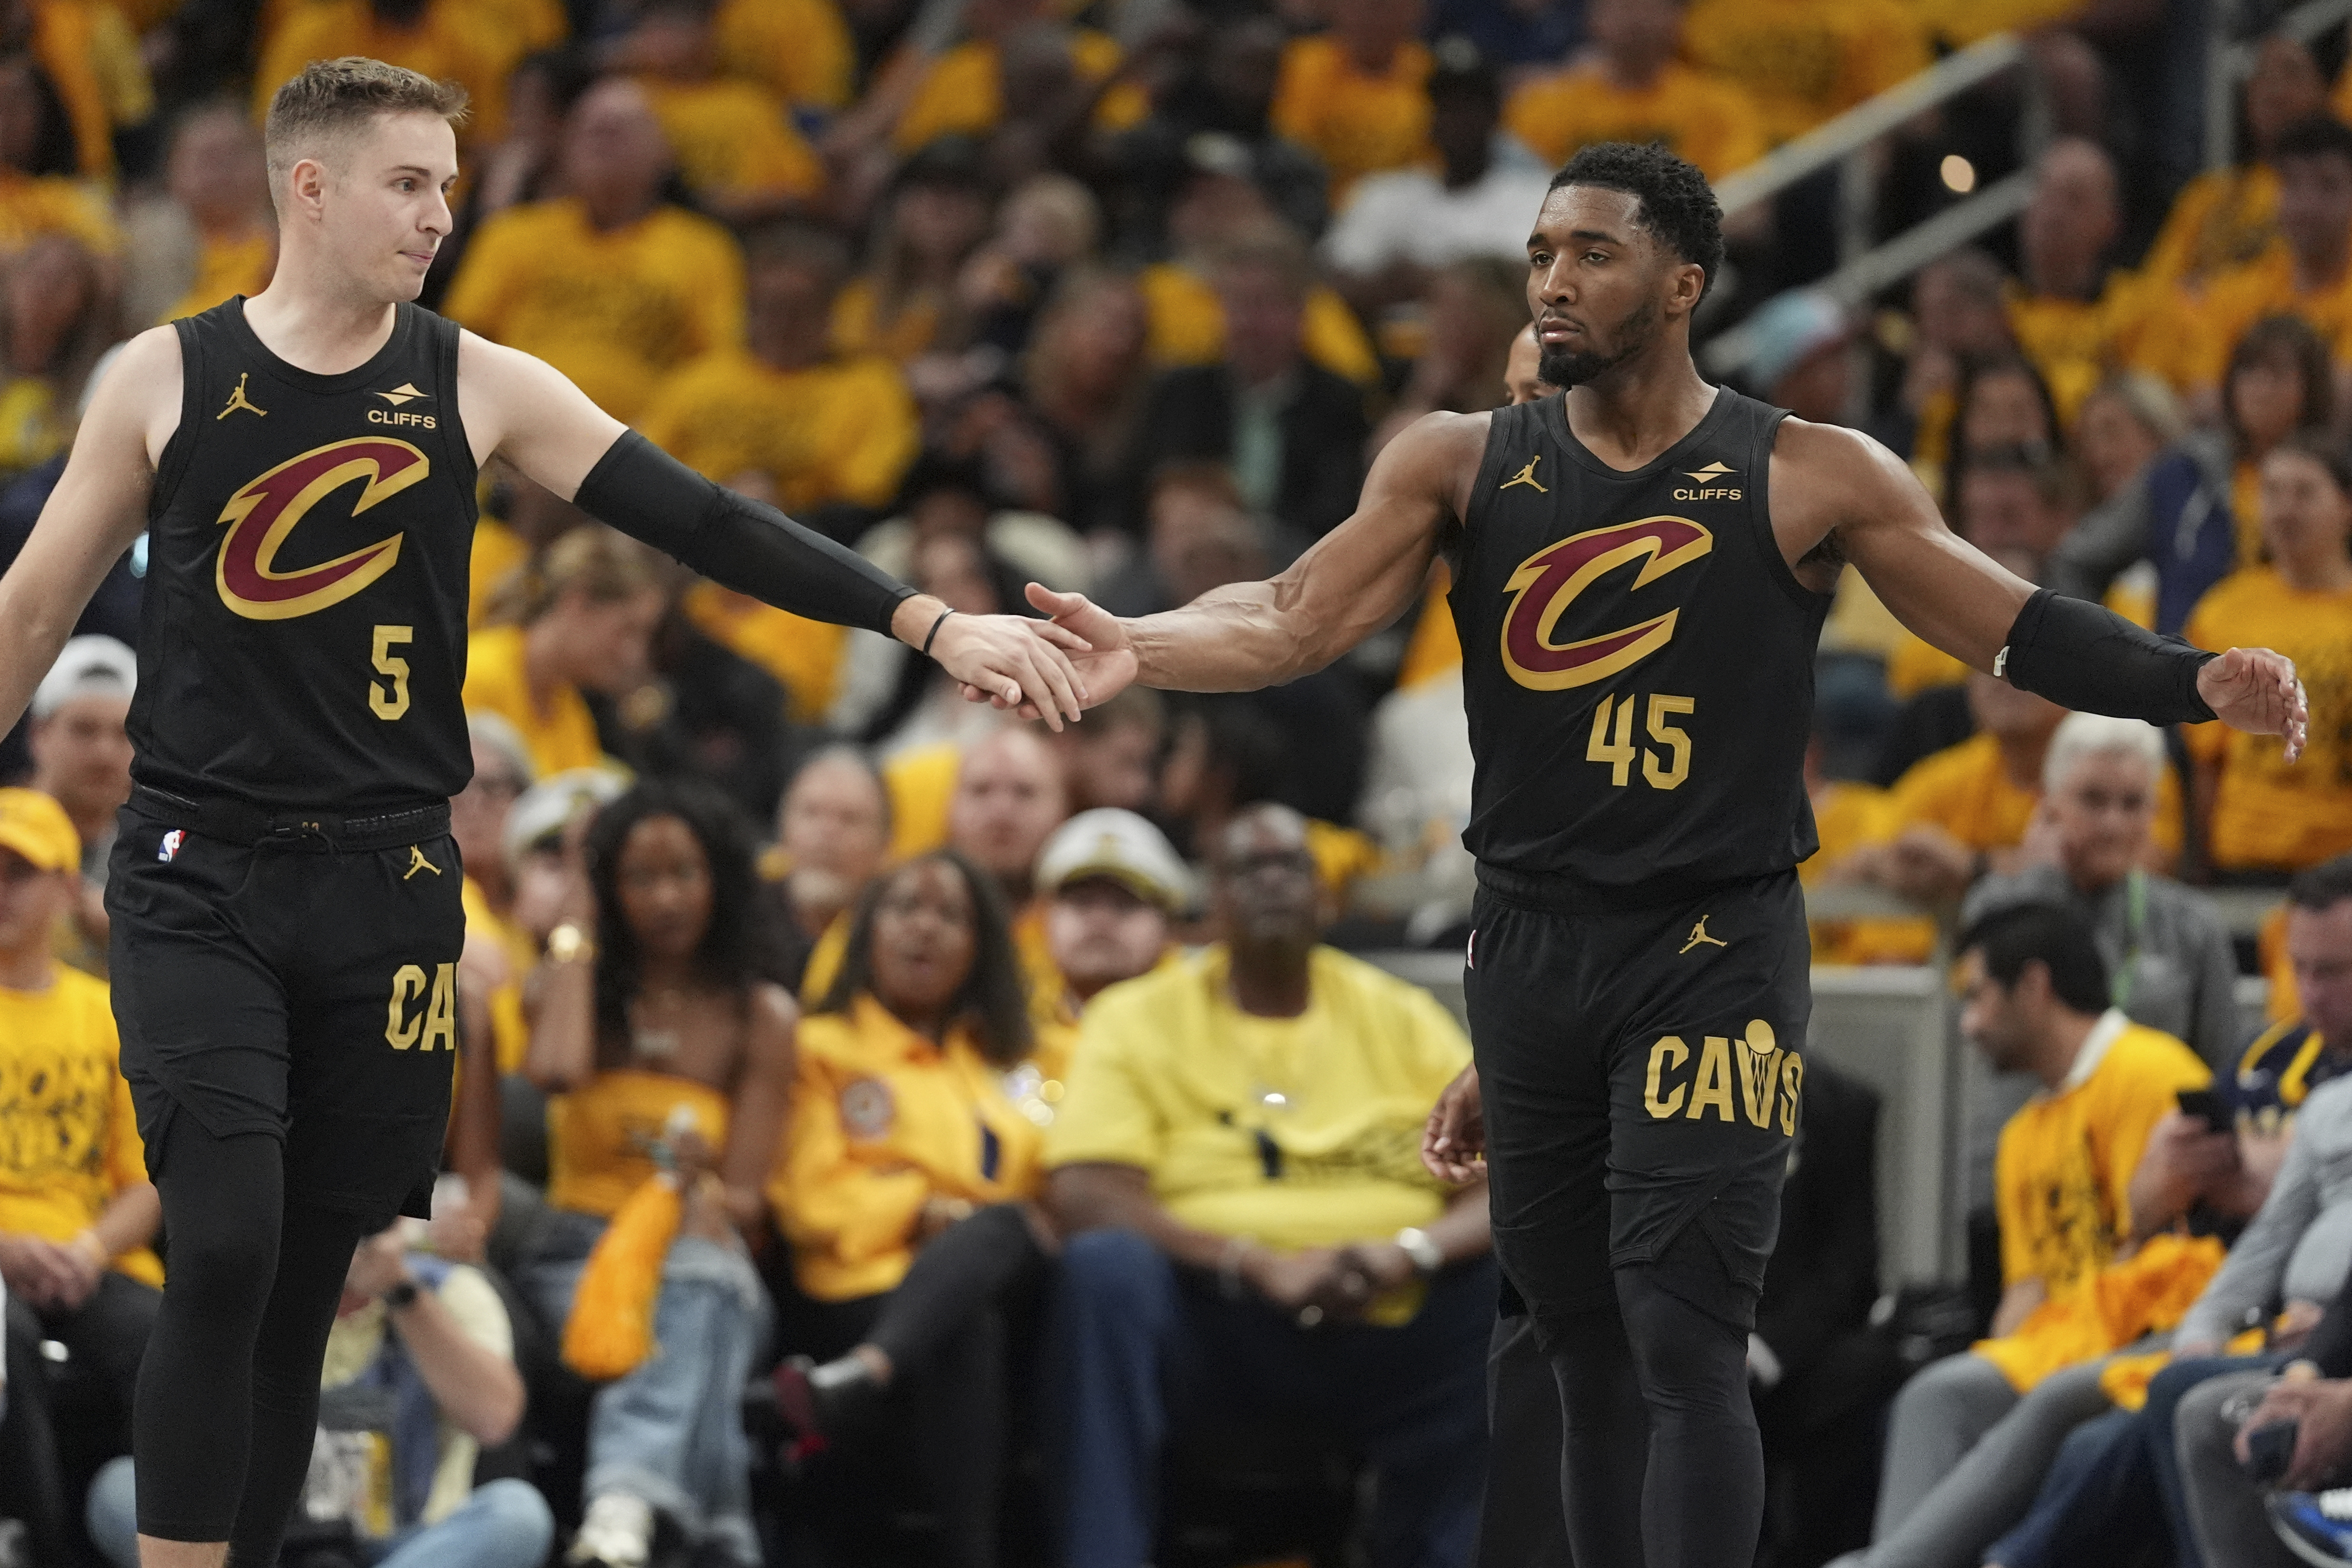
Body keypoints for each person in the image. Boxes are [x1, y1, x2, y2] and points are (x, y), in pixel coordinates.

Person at [1022, 140, 2305, 1568]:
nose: (1555, 281)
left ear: (1683, 283)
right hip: (1528, 949)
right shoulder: (1458, 459)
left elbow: (2008, 622)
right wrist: (1134, 645)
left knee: (1682, 1341)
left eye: (1592, 254)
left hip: (1712, 944)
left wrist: (2186, 678)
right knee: (1570, 1347)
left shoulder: (1807, 472)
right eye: (1540, 255)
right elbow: (1283, 616)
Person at [0, 56, 1087, 1568]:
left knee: (309, 1275)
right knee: (228, 1238)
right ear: (306, 186)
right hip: (203, 871)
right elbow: (33, 612)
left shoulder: (475, 378)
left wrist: (924, 621)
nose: (444, 212)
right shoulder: (163, 374)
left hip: (388, 885)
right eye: (410, 182)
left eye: (450, 183)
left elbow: (698, 517)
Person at [1047, 803, 1492, 1568]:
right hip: (1211, 1321)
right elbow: (1086, 1190)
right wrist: (1251, 1260)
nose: (1274, 882)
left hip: (1381, 1309)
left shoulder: (1401, 1015)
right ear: (1211, 899)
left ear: (1326, 896)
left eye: (1293, 865)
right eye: (1249, 868)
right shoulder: (1135, 1017)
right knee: (1102, 1272)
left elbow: (1504, 1183)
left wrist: (1408, 1251)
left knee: (1515, 1278)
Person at [1828, 901, 2212, 1568]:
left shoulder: (2150, 1072)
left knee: (1980, 1399)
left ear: (2032, 986)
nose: (1968, 1025)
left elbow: (2165, 1259)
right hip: (2068, 1340)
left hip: (2160, 1330)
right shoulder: (2024, 1132)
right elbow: (2026, 1292)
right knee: (1942, 1390)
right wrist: (1997, 1365)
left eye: (1976, 996)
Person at [520, 781, 793, 1568]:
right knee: (705, 1298)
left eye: (686, 873)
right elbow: (556, 1069)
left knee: (702, 1276)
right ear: (611, 889)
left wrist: (700, 1187)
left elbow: (745, 1199)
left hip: (695, 1241)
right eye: (640, 877)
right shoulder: (569, 988)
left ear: (722, 882)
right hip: (575, 1256)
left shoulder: (760, 1015)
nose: (666, 897)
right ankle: (715, 1535)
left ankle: (620, 1514)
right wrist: (574, 927)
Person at [765, 849, 1057, 1568]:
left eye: (950, 914)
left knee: (1010, 1230)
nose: (924, 929)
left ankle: (864, 1374)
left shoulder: (1011, 1059)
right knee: (968, 1322)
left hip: (1011, 1288)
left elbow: (1048, 1188)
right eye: (904, 908)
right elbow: (809, 1197)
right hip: (857, 1286)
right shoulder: (817, 1044)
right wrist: (920, 1208)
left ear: (981, 944)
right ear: (867, 931)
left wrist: (959, 1220)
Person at [86, 1219, 553, 1568]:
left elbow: (494, 1418)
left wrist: (400, 1292)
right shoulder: (250, 1284)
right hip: (260, 1544)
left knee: (518, 1512)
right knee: (119, 1485)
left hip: (411, 1544)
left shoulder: (447, 1289)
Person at [0, 789, 160, 1566]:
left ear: (68, 888)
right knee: (4, 1335)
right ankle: (33, 1547)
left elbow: (149, 1181)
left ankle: (184, 1544)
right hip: (2, 1261)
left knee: (174, 1337)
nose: (0, 889)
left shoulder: (106, 1011)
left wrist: (90, 1252)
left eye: (17, 872)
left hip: (86, 1255)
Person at [441, 75, 744, 423]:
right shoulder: (511, 235)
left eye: (622, 129)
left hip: (647, 447)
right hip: (513, 438)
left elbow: (718, 368)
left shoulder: (705, 249)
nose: (602, 135)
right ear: (566, 150)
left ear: (664, 153)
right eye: (589, 129)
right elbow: (464, 347)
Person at [1963, 714, 2241, 1071]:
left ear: (2155, 812)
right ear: (2048, 805)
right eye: (2093, 800)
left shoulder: (2193, 924)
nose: (2113, 824)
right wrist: (2042, 886)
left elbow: (2221, 1068)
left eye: (2133, 803)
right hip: (2025, 1122)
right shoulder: (1996, 906)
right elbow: (1996, 1042)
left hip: (2148, 1124)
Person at [2185, 433, 2352, 878]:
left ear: (2346, 507)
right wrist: (2203, 869)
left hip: (2341, 863)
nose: (2284, 510)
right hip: (2243, 858)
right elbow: (2205, 759)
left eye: (2304, 492)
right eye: (2272, 492)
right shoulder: (2222, 610)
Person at [1134, 234, 1372, 542]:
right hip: (1191, 550)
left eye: (1263, 305)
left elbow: (1336, 511)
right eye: (1236, 304)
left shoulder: (1339, 401)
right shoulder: (1183, 391)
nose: (1248, 323)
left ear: (1300, 312)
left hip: (1303, 560)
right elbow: (1156, 488)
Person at [1322, 45, 1555, 322]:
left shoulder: (1539, 197)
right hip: (1392, 350)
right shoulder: (1384, 193)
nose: (1458, 121)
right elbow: (1334, 281)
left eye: (1471, 107)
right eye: (1446, 108)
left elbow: (1550, 286)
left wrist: (1420, 280)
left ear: (1495, 117)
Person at [461, 525, 665, 779]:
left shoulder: (570, 710)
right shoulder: (475, 672)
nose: (633, 654)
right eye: (627, 630)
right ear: (578, 602)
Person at [1503, 0, 1764, 182]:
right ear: (1593, 17)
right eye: (1622, 4)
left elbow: (1747, 208)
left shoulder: (1721, 104)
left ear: (1677, 17)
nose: (1636, 16)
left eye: (1650, 5)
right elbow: (1514, 192)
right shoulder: (1546, 105)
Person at [24, 633, 134, 972]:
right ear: (39, 735)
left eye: (123, 734)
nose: (105, 753)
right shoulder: (5, 831)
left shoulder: (161, 853)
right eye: (84, 730)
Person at [763, 745, 892, 1000]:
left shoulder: (896, 943)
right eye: (811, 813)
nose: (827, 833)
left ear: (885, 845)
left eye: (850, 819)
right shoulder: (735, 922)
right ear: (782, 832)